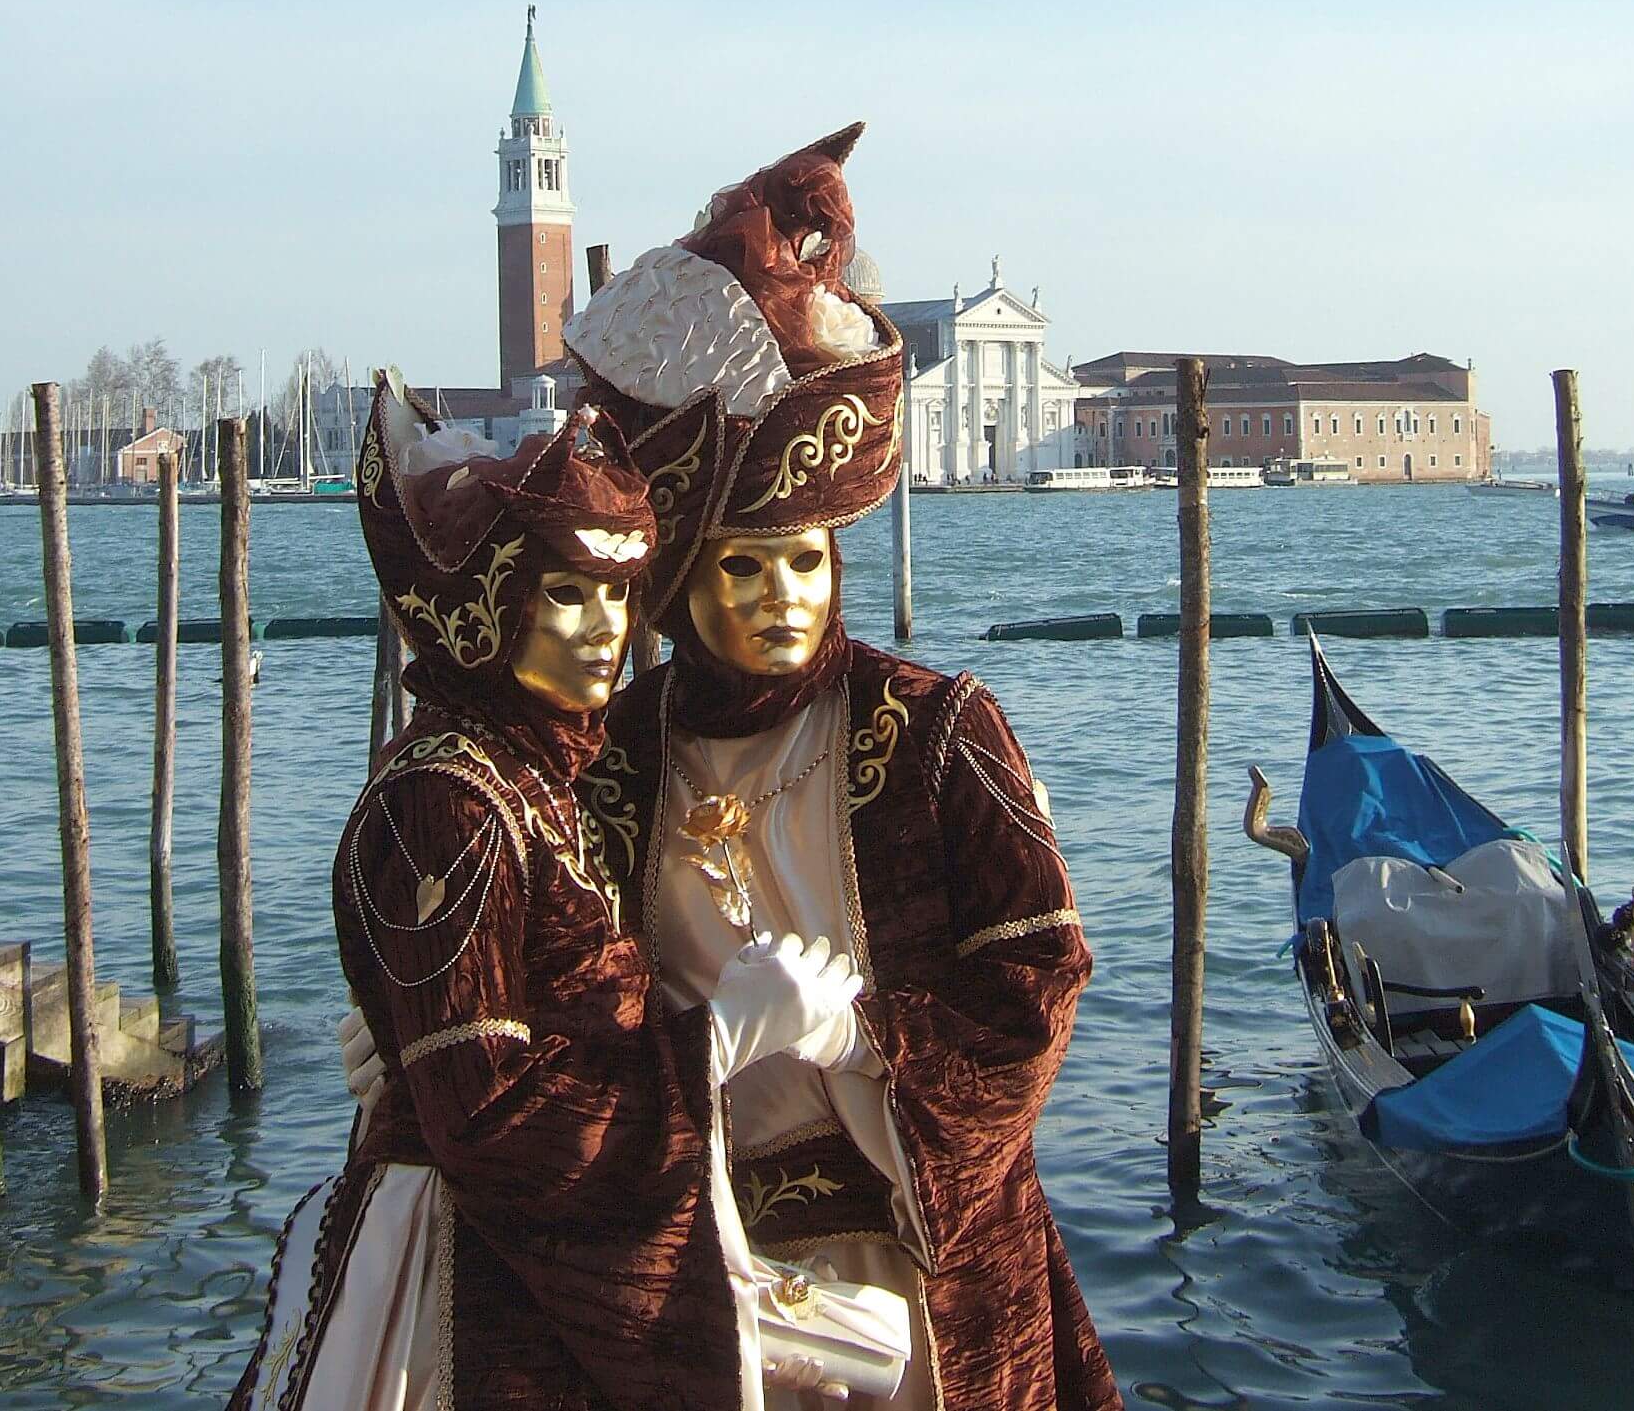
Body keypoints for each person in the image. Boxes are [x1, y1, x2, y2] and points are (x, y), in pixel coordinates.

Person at [563, 127, 1123, 1410]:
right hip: (703, 1247)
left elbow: (1038, 975)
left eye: (805, 563)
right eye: (743, 568)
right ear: (680, 586)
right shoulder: (619, 754)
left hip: (916, 1254)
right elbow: (567, 988)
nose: (781, 600)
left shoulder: (932, 728)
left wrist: (863, 1036)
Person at [231, 380, 864, 1410]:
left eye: (619, 592)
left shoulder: (530, 778)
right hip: (471, 1284)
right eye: (565, 591)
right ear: (486, 604)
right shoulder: (449, 798)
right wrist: (721, 1037)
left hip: (542, 1261)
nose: (604, 628)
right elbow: (486, 1117)